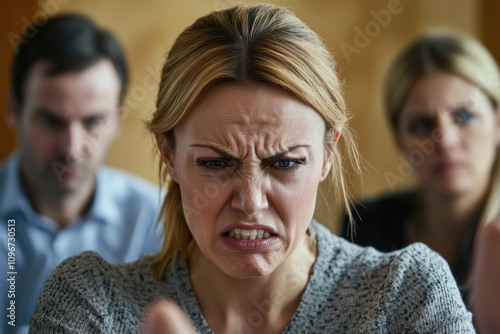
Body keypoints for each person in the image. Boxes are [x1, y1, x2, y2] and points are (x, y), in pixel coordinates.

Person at [29, 4, 474, 333]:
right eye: (215, 163)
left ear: (327, 155)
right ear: (168, 154)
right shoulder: (93, 303)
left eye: (284, 163)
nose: (250, 201)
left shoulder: (406, 297)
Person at [0, 14, 163, 333]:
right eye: (51, 121)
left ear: (117, 120)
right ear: (13, 110)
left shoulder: (157, 223)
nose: (72, 148)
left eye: (93, 123)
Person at [341, 31, 500, 308]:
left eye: (464, 116)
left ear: (498, 123)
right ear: (399, 139)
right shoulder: (366, 228)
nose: (445, 141)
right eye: (421, 125)